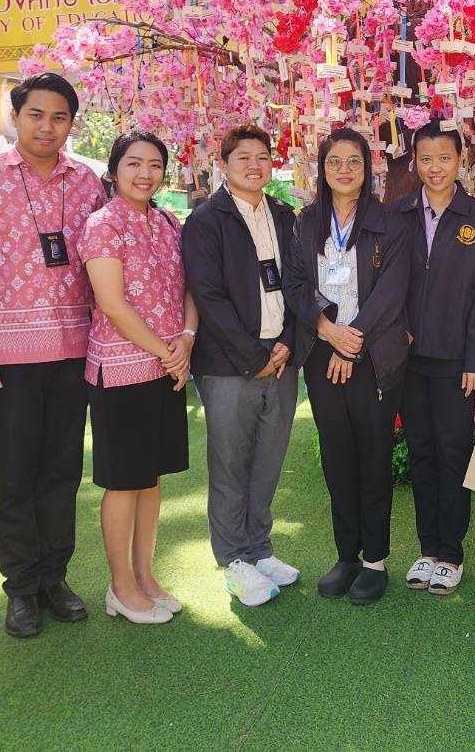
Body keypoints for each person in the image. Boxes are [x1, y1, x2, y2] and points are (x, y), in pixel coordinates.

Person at [0, 72, 106, 638]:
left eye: (59, 117)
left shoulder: (87, 182)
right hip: (6, 356)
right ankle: (21, 589)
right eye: (36, 114)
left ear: (71, 124)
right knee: (14, 475)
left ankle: (55, 578)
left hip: (74, 351)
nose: (47, 127)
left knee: (63, 472)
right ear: (16, 117)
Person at [283, 128, 409, 605]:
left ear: (366, 167)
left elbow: (392, 290)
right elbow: (296, 283)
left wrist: (350, 340)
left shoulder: (388, 221)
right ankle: (347, 555)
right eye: (334, 161)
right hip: (323, 353)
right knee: (337, 457)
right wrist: (326, 329)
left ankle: (375, 560)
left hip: (372, 353)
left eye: (353, 161)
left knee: (373, 456)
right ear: (322, 168)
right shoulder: (306, 221)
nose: (344, 169)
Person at [77, 131, 198, 625]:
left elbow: (190, 288)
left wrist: (186, 338)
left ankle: (146, 577)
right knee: (124, 481)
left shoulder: (169, 223)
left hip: (166, 367)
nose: (145, 173)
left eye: (154, 165)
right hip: (122, 371)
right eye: (133, 163)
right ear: (114, 170)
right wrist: (167, 352)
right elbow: (111, 303)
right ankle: (120, 586)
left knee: (150, 480)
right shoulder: (102, 225)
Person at [181, 125, 300, 607]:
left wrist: (288, 342)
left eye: (262, 157)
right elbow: (208, 296)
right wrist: (255, 356)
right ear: (223, 164)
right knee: (231, 463)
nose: (254, 165)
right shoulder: (206, 221)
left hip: (283, 357)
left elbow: (299, 285)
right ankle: (233, 559)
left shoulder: (284, 216)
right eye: (243, 157)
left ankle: (259, 548)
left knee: (269, 458)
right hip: (231, 364)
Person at [392, 119, 475, 595]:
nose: (435, 168)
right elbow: (385, 285)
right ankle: (427, 548)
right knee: (421, 452)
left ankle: (451, 553)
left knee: (452, 452)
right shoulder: (398, 214)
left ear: (461, 161)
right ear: (415, 162)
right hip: (409, 359)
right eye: (426, 159)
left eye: (445, 158)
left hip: (456, 362)